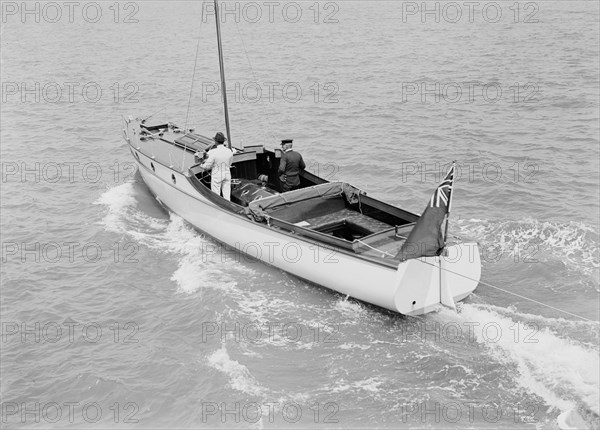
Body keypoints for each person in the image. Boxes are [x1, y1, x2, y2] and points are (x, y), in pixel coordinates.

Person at [200, 132, 234, 200]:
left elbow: (207, 166)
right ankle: (227, 208)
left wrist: (201, 165)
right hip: (227, 174)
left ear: (215, 141)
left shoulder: (213, 152)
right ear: (223, 141)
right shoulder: (229, 151)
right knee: (227, 195)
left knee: (216, 196)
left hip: (217, 175)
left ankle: (218, 208)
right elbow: (230, 163)